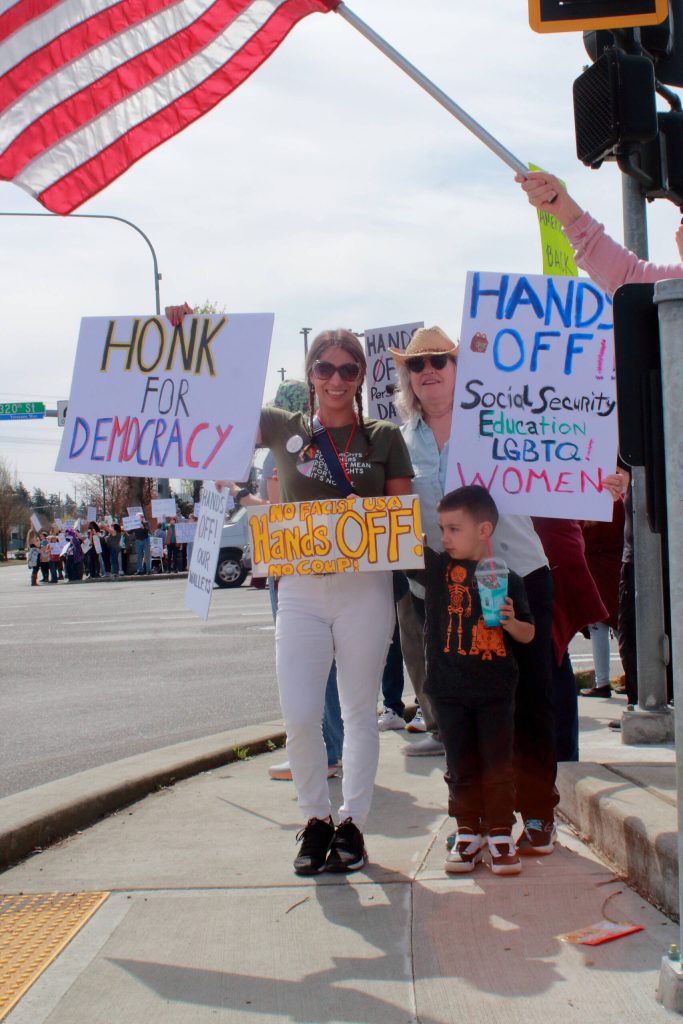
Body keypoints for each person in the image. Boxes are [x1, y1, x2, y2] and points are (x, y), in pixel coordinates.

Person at [167, 307, 413, 875]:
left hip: (364, 589)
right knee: (300, 713)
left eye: (348, 370)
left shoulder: (384, 437)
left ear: (362, 377)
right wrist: (187, 342)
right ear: (310, 374)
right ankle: (315, 819)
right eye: (324, 368)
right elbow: (216, 416)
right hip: (299, 587)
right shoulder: (283, 427)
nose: (335, 378)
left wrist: (371, 512)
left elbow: (402, 516)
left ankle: (351, 822)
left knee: (357, 712)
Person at [392, 326, 560, 853]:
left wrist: (604, 477)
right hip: (449, 600)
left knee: (530, 702)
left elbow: (559, 457)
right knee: (463, 712)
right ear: (408, 379)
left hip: (519, 574)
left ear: (459, 367)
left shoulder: (499, 416)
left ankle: (537, 813)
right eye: (418, 365)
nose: (429, 371)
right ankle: (476, 821)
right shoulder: (399, 443)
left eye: (440, 359)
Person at [412, 485, 534, 876]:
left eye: (453, 529)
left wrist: (512, 620)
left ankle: (500, 833)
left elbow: (529, 633)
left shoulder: (508, 577)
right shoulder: (435, 571)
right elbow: (395, 547)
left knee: (497, 763)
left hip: (496, 691)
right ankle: (468, 832)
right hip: (447, 691)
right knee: (460, 764)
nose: (444, 537)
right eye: (442, 529)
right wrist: (364, 510)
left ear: (484, 530)